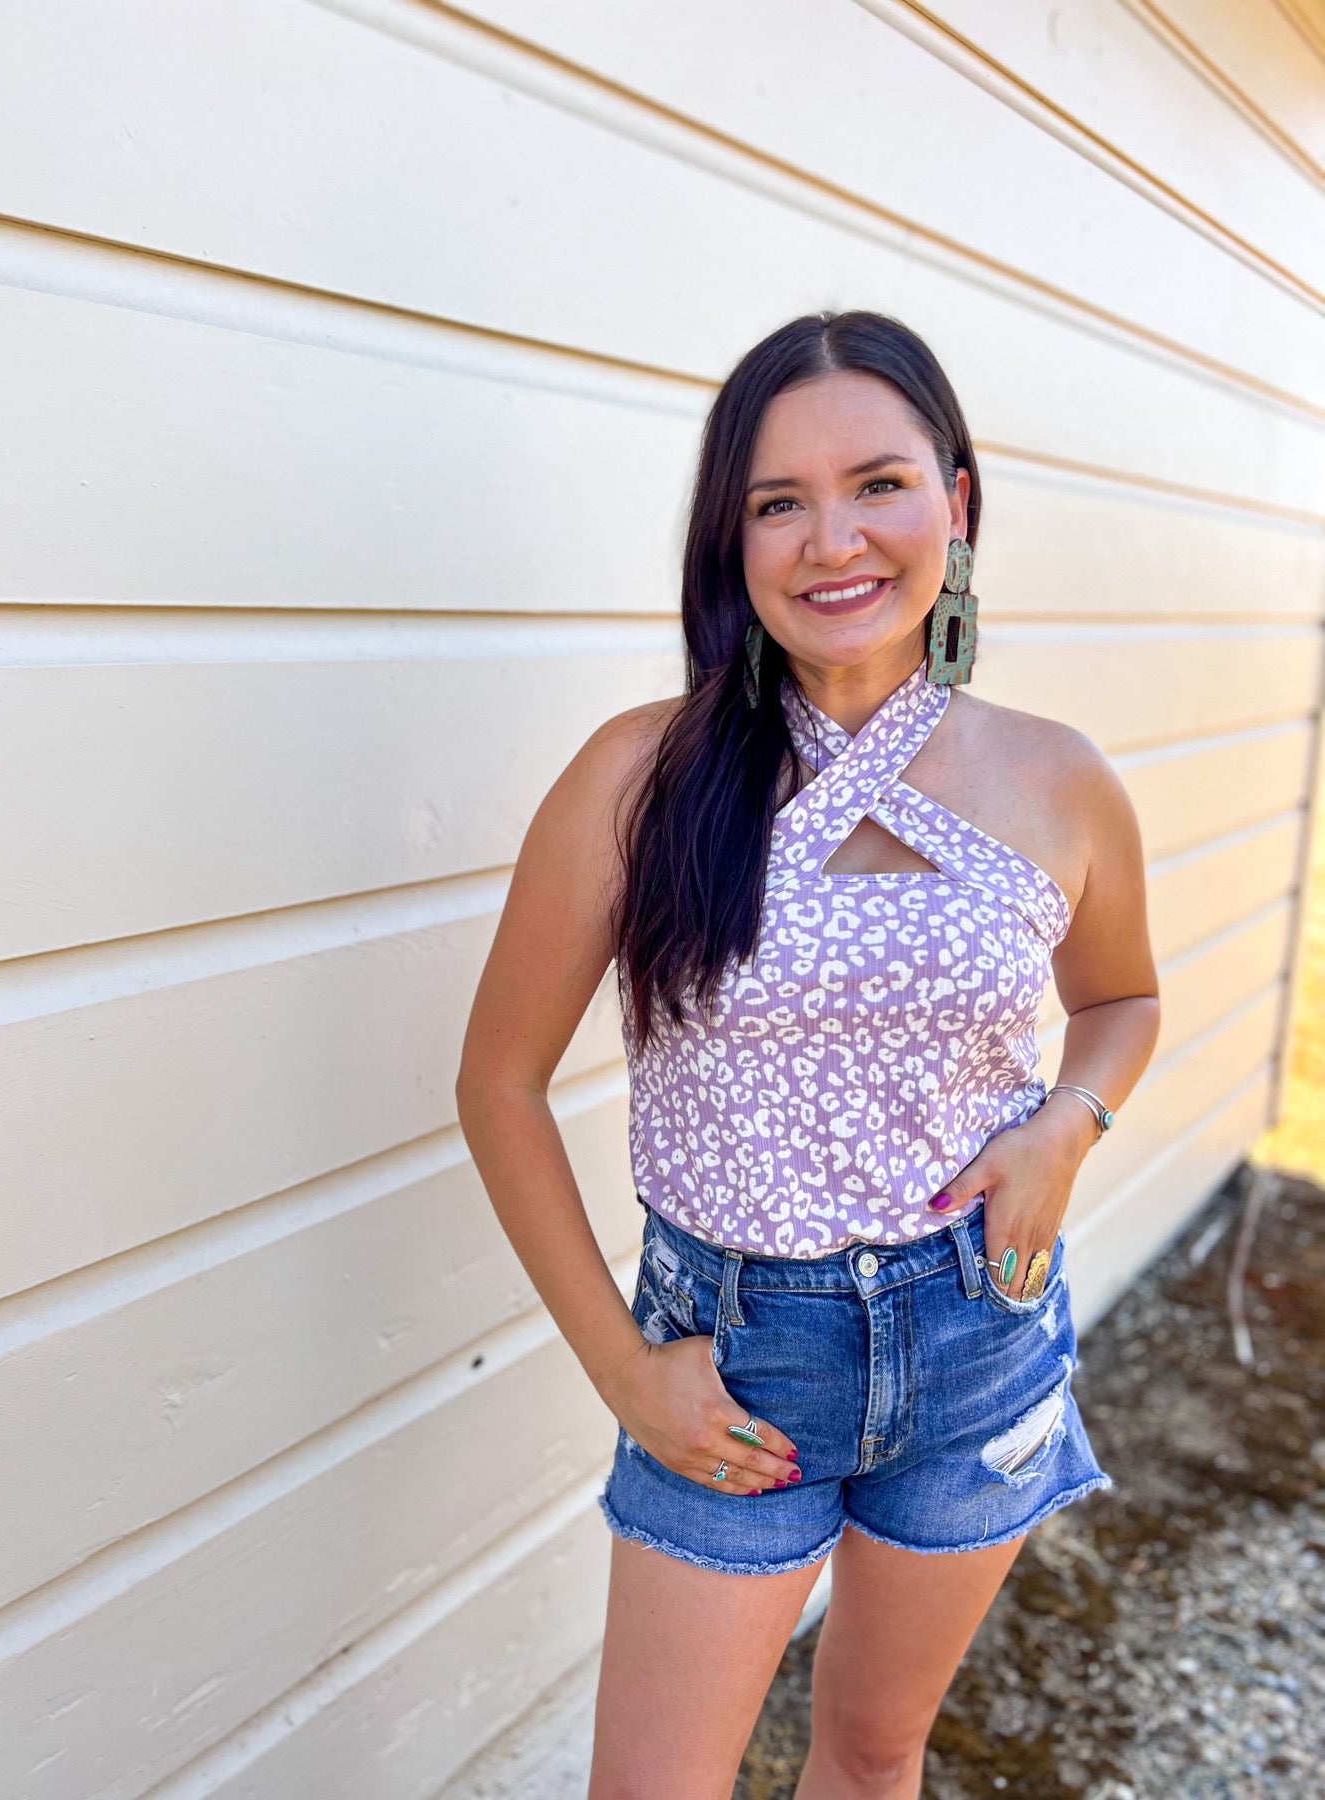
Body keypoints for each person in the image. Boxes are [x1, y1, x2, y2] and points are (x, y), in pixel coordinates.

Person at [456, 311, 1161, 1800]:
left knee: (871, 1748)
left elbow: (1121, 1001)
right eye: (778, 501)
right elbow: (498, 1084)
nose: (831, 539)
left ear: (956, 505)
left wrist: (1067, 1123)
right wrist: (621, 1372)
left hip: (979, 1332)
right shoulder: (638, 775)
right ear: (732, 538)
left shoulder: (1056, 776)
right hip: (731, 1356)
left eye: (878, 484)